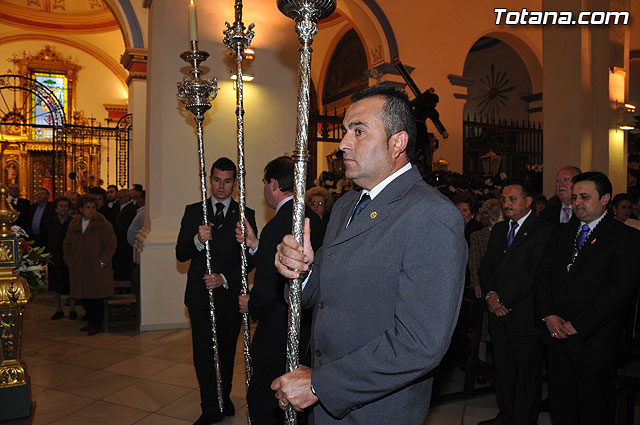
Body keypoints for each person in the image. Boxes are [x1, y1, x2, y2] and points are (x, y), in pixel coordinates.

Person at [272, 85, 467, 424]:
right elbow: (324, 296)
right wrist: (301, 271)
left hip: (376, 409)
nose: (343, 143)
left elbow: (421, 343)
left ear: (397, 143)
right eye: (346, 131)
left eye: (358, 131)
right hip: (330, 403)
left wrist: (320, 384)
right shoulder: (349, 204)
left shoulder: (431, 215)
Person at [534, 171, 640, 425]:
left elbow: (620, 290)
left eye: (584, 197)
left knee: (594, 410)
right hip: (557, 337)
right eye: (574, 197)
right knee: (562, 407)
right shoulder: (560, 232)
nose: (577, 202)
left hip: (595, 340)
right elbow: (542, 276)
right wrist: (549, 316)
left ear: (605, 199)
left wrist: (577, 324)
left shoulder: (626, 237)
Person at [237, 157, 324, 425]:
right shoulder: (315, 220)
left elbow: (265, 293)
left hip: (277, 331)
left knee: (264, 397)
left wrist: (249, 305)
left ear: (273, 184)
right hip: (311, 329)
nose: (264, 187)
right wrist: (256, 246)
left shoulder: (276, 226)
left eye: (264, 182)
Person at [176, 157, 257, 425]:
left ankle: (223, 398)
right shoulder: (193, 211)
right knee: (203, 354)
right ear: (209, 180)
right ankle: (210, 407)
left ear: (235, 182)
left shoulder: (246, 214)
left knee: (224, 352)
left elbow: (251, 259)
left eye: (227, 181)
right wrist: (198, 240)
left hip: (230, 296)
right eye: (216, 180)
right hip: (200, 297)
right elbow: (181, 253)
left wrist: (223, 278)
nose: (221, 187)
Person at [478, 180, 553, 425]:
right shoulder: (500, 229)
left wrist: (503, 298)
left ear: (528, 201)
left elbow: (534, 273)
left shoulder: (543, 229)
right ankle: (506, 415)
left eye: (512, 199)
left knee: (527, 374)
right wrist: (491, 295)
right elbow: (487, 266)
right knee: (505, 370)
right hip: (498, 313)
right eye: (504, 199)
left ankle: (523, 419)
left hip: (524, 314)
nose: (507, 204)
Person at [63, 195, 117, 336]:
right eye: (88, 207)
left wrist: (102, 261)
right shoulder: (74, 224)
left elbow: (111, 244)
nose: (91, 210)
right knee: (83, 296)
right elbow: (66, 244)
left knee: (96, 297)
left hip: (96, 267)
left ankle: (96, 323)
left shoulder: (104, 224)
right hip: (79, 267)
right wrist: (69, 260)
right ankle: (90, 321)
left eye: (93, 207)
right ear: (81, 209)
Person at [42, 196, 76, 320]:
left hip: (70, 258)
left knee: (71, 283)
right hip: (54, 257)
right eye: (61, 206)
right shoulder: (49, 222)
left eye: (66, 206)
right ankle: (58, 309)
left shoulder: (73, 222)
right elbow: (44, 239)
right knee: (55, 284)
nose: (63, 209)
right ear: (56, 208)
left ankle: (72, 309)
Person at [468, 198, 503, 299]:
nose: (504, 219)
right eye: (501, 217)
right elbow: (474, 261)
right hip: (485, 283)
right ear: (492, 218)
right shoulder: (477, 236)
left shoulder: (507, 234)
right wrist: (476, 283)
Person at [113, 189, 136, 280]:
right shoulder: (119, 207)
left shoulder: (130, 209)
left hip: (124, 243)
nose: (118, 200)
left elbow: (123, 227)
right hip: (120, 243)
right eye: (117, 198)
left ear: (128, 198)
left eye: (120, 198)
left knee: (124, 267)